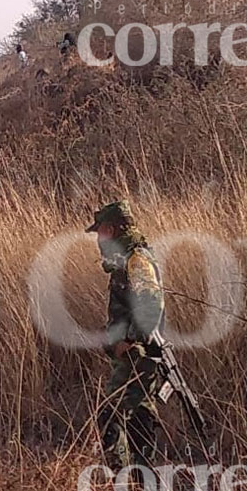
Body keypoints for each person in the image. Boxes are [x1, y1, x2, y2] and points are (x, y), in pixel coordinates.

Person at [85, 200, 165, 472]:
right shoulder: (126, 259)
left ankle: (123, 478)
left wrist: (130, 340)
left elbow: (151, 302)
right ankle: (141, 480)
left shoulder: (137, 259)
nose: (98, 239)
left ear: (111, 229)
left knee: (111, 413)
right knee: (138, 413)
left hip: (137, 353)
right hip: (135, 353)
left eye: (100, 232)